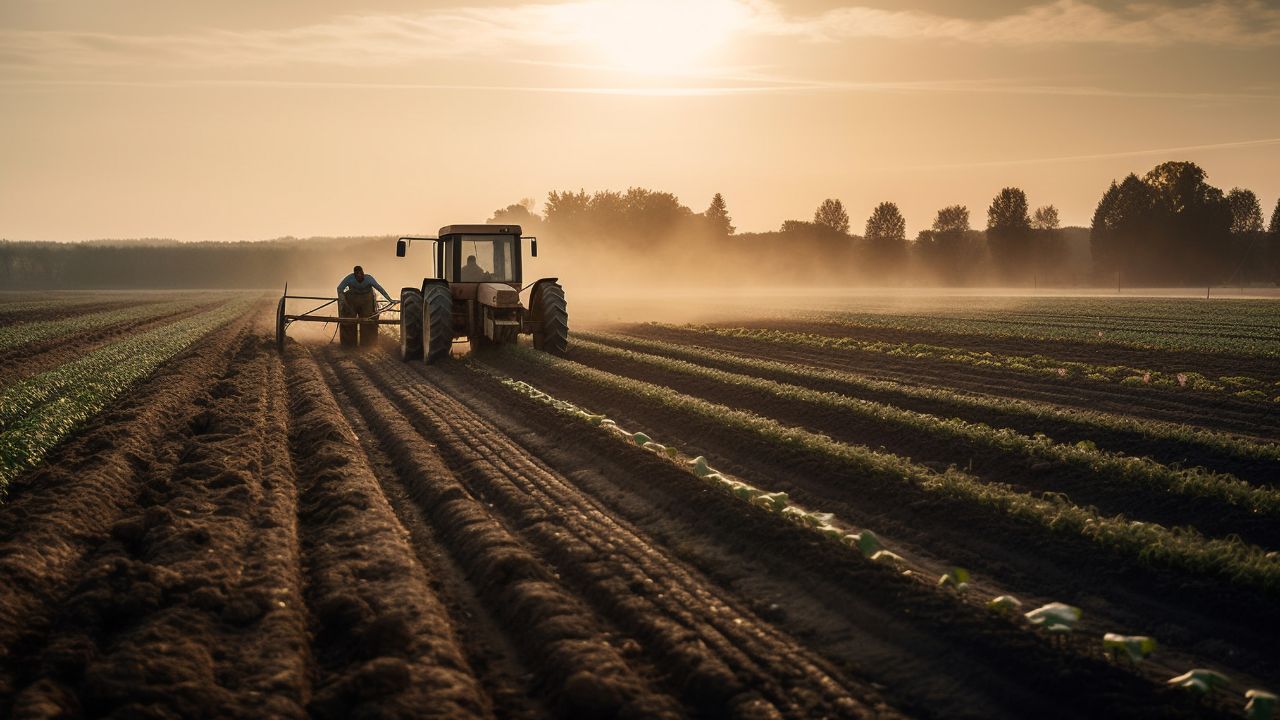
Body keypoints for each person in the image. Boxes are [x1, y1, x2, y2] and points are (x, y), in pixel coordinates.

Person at [336, 266, 392, 347]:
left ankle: (368, 344)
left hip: (367, 299)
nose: (359, 276)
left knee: (368, 319)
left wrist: (389, 299)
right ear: (354, 275)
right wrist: (343, 301)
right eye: (357, 274)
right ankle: (348, 344)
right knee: (349, 320)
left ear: (363, 273)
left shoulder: (369, 279)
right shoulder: (349, 278)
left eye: (361, 273)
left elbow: (379, 288)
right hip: (353, 298)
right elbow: (339, 288)